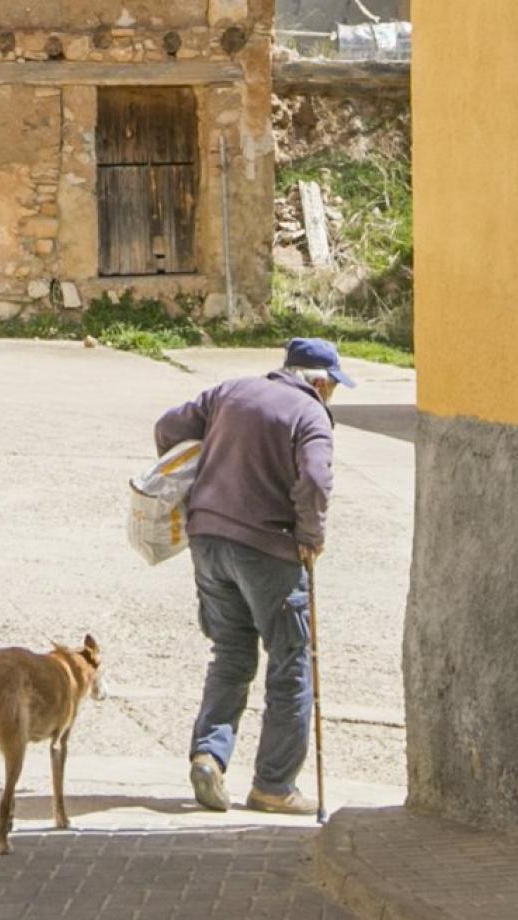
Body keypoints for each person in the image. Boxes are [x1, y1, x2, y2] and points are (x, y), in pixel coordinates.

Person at [153, 338, 350, 815]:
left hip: (208, 539)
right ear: (319, 382)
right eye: (334, 387)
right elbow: (317, 481)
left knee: (231, 653)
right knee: (290, 661)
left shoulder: (232, 391)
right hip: (268, 547)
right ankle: (274, 786)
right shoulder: (311, 414)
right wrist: (311, 536)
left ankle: (209, 755)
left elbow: (167, 428)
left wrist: (194, 475)